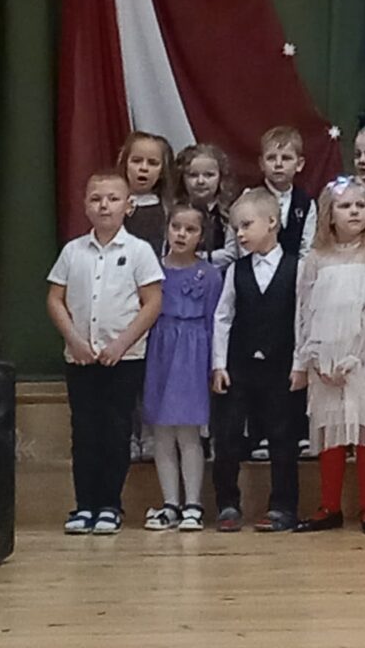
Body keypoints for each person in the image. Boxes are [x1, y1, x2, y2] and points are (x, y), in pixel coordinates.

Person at [46, 171, 164, 536]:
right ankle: (85, 505)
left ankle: (110, 505)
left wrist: (121, 344)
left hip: (123, 359)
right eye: (96, 199)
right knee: (84, 432)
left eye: (113, 199)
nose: (104, 205)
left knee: (115, 431)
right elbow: (55, 298)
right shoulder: (73, 251)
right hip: (80, 358)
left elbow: (152, 302)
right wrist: (74, 340)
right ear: (85, 205)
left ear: (128, 206)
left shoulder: (139, 251)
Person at [293, 177, 365, 534]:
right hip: (324, 356)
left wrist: (354, 356)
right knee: (330, 429)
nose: (354, 212)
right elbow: (303, 311)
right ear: (329, 214)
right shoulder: (315, 257)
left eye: (360, 205)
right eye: (345, 206)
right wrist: (311, 357)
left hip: (362, 357)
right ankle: (329, 506)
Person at [210, 188, 301, 533]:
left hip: (281, 367)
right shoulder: (236, 271)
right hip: (239, 367)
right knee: (228, 435)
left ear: (272, 222)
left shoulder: (297, 268)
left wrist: (300, 363)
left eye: (246, 225)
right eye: (236, 228)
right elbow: (223, 317)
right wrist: (219, 364)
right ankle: (227, 503)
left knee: (283, 437)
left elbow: (302, 320)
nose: (240, 234)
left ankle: (283, 506)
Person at [141, 205, 223, 533]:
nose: (181, 234)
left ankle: (193, 504)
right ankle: (170, 503)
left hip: (192, 354)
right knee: (162, 432)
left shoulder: (210, 275)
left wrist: (214, 365)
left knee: (188, 431)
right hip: (160, 352)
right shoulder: (153, 271)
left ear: (201, 236)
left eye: (190, 230)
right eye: (176, 227)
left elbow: (216, 321)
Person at [174, 142, 238, 266]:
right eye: (193, 175)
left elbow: (231, 254)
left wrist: (195, 257)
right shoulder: (174, 210)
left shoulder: (229, 212)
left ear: (221, 176)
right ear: (182, 178)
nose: (200, 181)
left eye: (209, 175)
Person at [118, 130, 174, 256]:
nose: (143, 168)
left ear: (162, 171)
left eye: (152, 163)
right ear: (125, 164)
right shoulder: (112, 203)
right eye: (136, 161)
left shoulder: (168, 209)